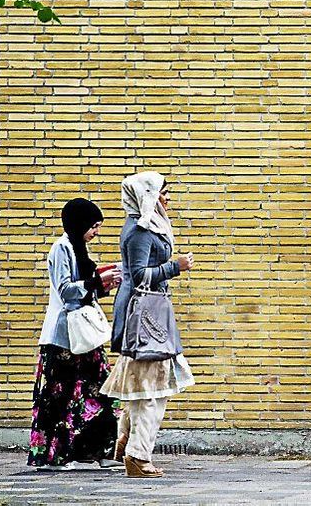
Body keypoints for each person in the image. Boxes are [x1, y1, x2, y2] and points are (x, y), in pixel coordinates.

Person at [101, 172, 195, 479]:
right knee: (153, 388)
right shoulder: (141, 229)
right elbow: (140, 275)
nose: (167, 199)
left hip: (148, 313)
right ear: (149, 196)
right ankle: (138, 456)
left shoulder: (147, 225)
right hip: (145, 317)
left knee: (142, 383)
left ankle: (126, 440)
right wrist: (175, 267)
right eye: (163, 193)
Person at [28, 198, 124, 471]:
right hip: (62, 339)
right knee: (60, 397)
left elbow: (84, 291)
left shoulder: (80, 251)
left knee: (102, 390)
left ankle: (100, 452)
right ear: (79, 223)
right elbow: (66, 291)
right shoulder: (61, 248)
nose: (96, 232)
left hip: (85, 337)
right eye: (93, 226)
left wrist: (105, 284)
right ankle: (55, 457)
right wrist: (97, 282)